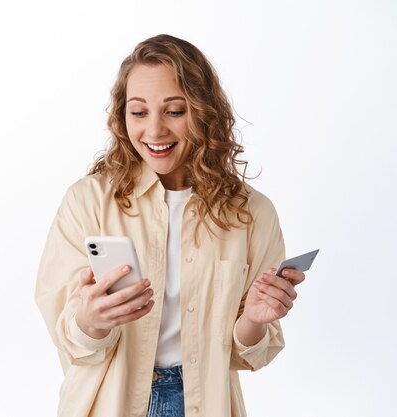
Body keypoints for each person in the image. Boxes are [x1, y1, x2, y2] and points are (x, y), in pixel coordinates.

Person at [35, 34, 306, 417]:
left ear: (203, 111)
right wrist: (89, 319)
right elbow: (71, 341)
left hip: (205, 403)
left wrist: (253, 321)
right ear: (121, 115)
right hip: (109, 402)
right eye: (139, 112)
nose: (155, 131)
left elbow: (252, 355)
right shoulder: (88, 201)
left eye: (175, 111)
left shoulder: (252, 213)